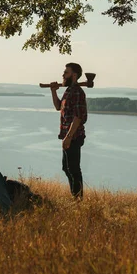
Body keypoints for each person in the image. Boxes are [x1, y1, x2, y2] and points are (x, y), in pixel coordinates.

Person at [49, 63, 88, 199]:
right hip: (68, 135)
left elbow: (78, 117)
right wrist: (53, 91)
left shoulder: (77, 92)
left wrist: (69, 137)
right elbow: (58, 107)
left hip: (74, 136)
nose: (63, 75)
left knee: (73, 169)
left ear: (74, 75)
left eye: (66, 72)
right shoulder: (69, 91)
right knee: (67, 168)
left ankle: (78, 199)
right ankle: (75, 196)